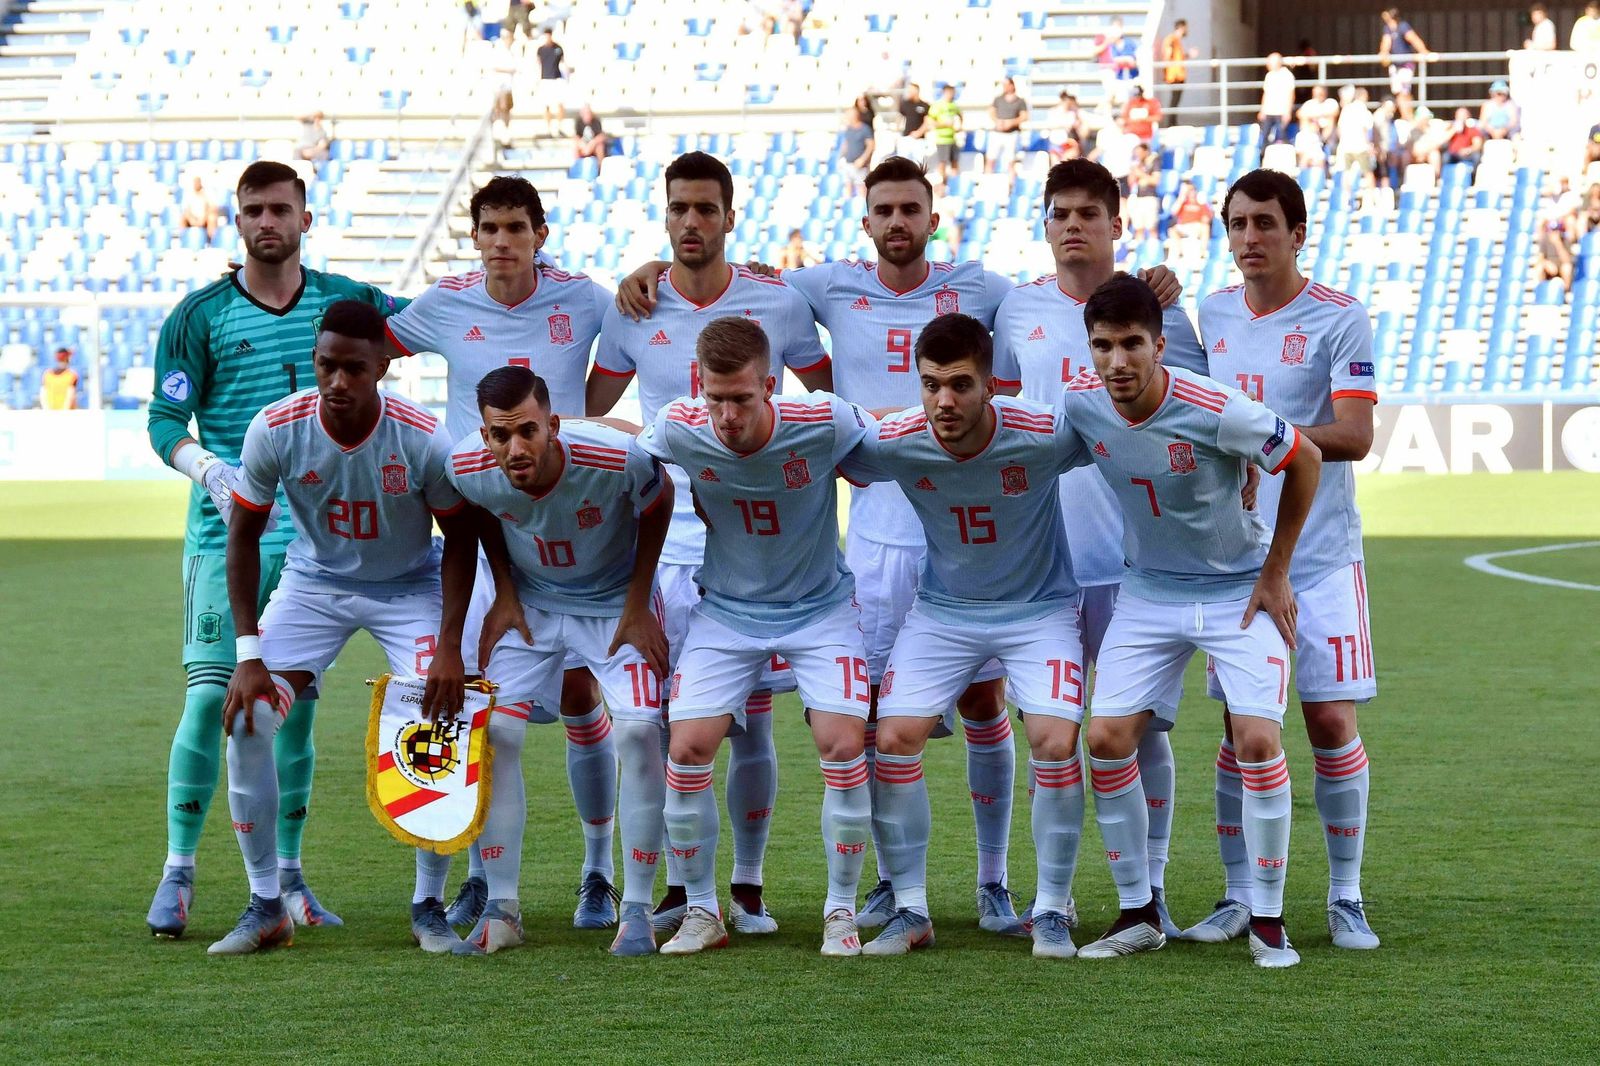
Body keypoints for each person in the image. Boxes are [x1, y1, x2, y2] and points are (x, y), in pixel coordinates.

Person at [763, 156, 1026, 934]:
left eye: (912, 208)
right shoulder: (828, 286)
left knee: (985, 703)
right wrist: (649, 268)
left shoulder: (981, 287)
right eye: (885, 209)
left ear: (933, 218)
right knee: (877, 720)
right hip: (876, 536)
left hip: (963, 533)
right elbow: (741, 282)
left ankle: (993, 880)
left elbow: (1060, 307)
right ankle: (890, 880)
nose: (899, 221)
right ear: (866, 220)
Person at [144, 160, 402, 940]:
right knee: (208, 698)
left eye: (279, 208)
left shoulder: (347, 305)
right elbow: (163, 423)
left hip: (316, 539)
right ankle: (177, 873)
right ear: (237, 220)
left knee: (293, 716)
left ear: (305, 218)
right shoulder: (200, 316)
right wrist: (208, 467)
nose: (266, 221)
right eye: (253, 209)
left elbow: (450, 319)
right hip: (228, 533)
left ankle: (288, 882)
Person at [586, 152, 833, 938]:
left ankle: (749, 888)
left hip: (756, 550)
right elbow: (588, 408)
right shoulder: (633, 306)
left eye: (705, 208)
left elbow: (830, 402)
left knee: (754, 721)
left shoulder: (779, 300)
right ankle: (670, 889)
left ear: (730, 215)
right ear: (664, 217)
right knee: (656, 724)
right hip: (662, 544)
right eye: (678, 209)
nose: (691, 221)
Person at [1057, 275, 1323, 968]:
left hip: (1239, 591)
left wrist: (1276, 571)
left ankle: (1267, 919)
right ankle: (1139, 911)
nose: (1118, 361)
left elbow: (1307, 459)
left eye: (1132, 344)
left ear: (1160, 344)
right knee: (1108, 739)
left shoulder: (1215, 408)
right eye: (1103, 345)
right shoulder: (1083, 408)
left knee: (1259, 742)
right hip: (1148, 593)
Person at [382, 174, 619, 931]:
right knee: (473, 710)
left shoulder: (585, 299)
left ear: (540, 235)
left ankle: (597, 871)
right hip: (479, 537)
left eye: (517, 227)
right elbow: (370, 343)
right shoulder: (446, 301)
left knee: (582, 698)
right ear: (475, 235)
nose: (503, 240)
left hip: (568, 537)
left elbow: (639, 336)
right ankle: (475, 882)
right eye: (490, 227)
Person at [210, 299, 475, 954]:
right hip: (313, 587)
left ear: (383, 367)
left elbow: (462, 540)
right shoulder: (276, 429)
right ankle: (266, 903)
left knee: (436, 721)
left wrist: (447, 647)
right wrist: (248, 654)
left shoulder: (421, 437)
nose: (337, 382)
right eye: (326, 366)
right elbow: (242, 538)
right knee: (247, 720)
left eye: (354, 368)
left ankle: (428, 906)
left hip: (408, 588)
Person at [992, 159, 1207, 939]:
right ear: (1045, 226)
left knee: (1137, 734)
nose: (1073, 224)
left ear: (1118, 223)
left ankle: (1146, 897)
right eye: (1059, 213)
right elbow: (1009, 410)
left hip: (1137, 558)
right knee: (1050, 734)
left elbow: (1200, 421)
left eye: (1090, 212)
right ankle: (1053, 898)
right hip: (1042, 557)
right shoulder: (1016, 308)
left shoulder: (1166, 316)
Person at [834, 314, 1094, 959]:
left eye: (959, 385)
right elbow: (811, 448)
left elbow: (1127, 433)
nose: (944, 401)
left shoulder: (1041, 433)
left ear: (990, 385)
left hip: (1039, 611)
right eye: (930, 386)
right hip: (943, 612)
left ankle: (1054, 907)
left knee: (1054, 741)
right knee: (892, 738)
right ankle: (911, 909)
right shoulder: (897, 441)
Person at [1186, 167, 1382, 953]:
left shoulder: (1340, 318)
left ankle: (1346, 894)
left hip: (1322, 557)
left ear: (1298, 234)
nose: (1248, 239)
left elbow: (1357, 437)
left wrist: (1268, 437)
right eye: (1236, 225)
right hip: (1236, 560)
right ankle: (1240, 895)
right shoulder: (1213, 313)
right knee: (1242, 731)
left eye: (1265, 224)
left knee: (1330, 720)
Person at [636, 318, 874, 956]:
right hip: (728, 612)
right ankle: (703, 913)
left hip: (820, 609)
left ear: (771, 385)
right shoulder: (680, 426)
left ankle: (841, 912)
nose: (726, 413)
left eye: (741, 397)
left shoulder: (825, 423)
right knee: (685, 750)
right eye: (715, 397)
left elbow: (890, 442)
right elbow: (626, 446)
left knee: (843, 744)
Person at [446, 367, 674, 957]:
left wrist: (637, 602)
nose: (514, 448)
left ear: (553, 423)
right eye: (501, 436)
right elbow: (475, 514)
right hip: (535, 605)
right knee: (493, 730)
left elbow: (660, 499)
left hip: (612, 605)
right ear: (485, 433)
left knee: (640, 731)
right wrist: (505, 591)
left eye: (527, 431)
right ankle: (502, 908)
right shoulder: (467, 466)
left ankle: (639, 911)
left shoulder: (615, 457)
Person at [1377, 9, 1429, 116]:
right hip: (1395, 65)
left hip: (1405, 64)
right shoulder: (1387, 29)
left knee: (1404, 92)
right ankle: (1406, 116)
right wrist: (1383, 54)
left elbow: (1413, 39)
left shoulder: (1403, 26)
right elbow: (1386, 43)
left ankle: (1408, 116)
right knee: (1398, 92)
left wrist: (1424, 52)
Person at [988, 77, 1029, 180]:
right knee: (990, 159)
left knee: (1010, 161)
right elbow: (991, 112)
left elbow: (1024, 116)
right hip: (997, 133)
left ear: (1012, 85)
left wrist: (1011, 123)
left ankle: (1011, 185)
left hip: (1012, 134)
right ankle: (987, 182)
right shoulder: (998, 99)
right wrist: (997, 121)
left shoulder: (1020, 101)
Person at [1334, 87, 1376, 183]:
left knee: (1347, 173)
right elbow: (1364, 128)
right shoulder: (1362, 108)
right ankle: (1371, 195)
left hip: (1346, 147)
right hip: (1360, 147)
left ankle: (1346, 196)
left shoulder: (1346, 109)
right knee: (1368, 173)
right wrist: (1368, 145)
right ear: (1363, 96)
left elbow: (1339, 129)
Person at [1124, 143, 1162, 243]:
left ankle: (1153, 249)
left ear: (1146, 151)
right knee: (1138, 228)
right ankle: (1139, 251)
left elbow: (1155, 181)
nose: (1138, 155)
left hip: (1149, 197)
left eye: (1140, 152)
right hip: (1137, 198)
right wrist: (1134, 171)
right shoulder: (1137, 164)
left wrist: (1141, 174)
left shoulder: (1154, 161)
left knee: (1151, 227)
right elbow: (1130, 182)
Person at [1169, 179, 1215, 256]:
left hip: (1197, 226)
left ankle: (1202, 252)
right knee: (1172, 230)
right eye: (1189, 190)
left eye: (1192, 190)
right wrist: (1181, 197)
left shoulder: (1201, 203)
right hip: (1184, 227)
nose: (1191, 192)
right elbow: (1173, 212)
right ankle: (1179, 253)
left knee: (1205, 228)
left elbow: (1207, 218)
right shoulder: (1183, 203)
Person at [929, 83, 963, 186]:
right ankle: (942, 183)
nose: (951, 94)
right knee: (942, 162)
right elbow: (930, 121)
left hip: (953, 138)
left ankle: (954, 184)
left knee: (955, 161)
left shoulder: (954, 105)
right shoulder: (937, 105)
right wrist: (944, 124)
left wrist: (959, 126)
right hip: (942, 139)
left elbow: (960, 116)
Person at [535, 29, 567, 137]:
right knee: (547, 105)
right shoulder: (541, 50)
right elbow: (538, 63)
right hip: (546, 79)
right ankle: (548, 129)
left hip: (556, 79)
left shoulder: (558, 48)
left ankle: (559, 127)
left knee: (560, 104)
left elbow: (563, 62)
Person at [1258, 53, 1296, 146]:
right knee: (1264, 136)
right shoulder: (1269, 75)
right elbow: (1266, 94)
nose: (1268, 65)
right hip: (1269, 111)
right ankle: (1263, 156)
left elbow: (1291, 95)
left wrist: (1288, 112)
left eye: (1270, 62)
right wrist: (1262, 110)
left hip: (1281, 111)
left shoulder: (1287, 75)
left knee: (1282, 136)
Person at [1159, 19, 1196, 112]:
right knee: (1174, 100)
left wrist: (1188, 55)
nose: (1187, 30)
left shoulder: (1177, 41)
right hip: (1174, 75)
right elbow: (1168, 55)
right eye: (1186, 28)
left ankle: (1173, 122)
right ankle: (1171, 123)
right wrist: (1165, 71)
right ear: (1182, 28)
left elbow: (1178, 57)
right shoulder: (1172, 39)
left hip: (1179, 75)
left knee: (1176, 100)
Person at [840, 107, 876, 196]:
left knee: (862, 189)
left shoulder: (865, 129)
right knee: (848, 187)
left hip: (860, 165)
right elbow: (846, 144)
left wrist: (863, 159)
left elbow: (871, 146)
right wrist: (840, 157)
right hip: (848, 163)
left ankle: (863, 209)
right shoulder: (848, 129)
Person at [1439, 108, 1484, 172]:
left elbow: (1478, 145)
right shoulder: (1450, 128)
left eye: (1463, 115)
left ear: (1468, 116)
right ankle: (1445, 178)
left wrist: (1469, 150)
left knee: (1476, 156)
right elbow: (1443, 141)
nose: (1461, 118)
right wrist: (1454, 130)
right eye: (1459, 115)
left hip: (1467, 153)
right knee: (1446, 157)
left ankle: (1473, 177)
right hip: (1453, 154)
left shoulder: (1473, 129)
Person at [897, 82, 932, 162]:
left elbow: (927, 122)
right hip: (906, 137)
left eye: (911, 90)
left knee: (918, 163)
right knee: (903, 163)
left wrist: (919, 132)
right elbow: (900, 117)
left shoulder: (924, 105)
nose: (909, 92)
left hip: (919, 139)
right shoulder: (905, 104)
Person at [1297, 85, 1339, 150]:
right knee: (1305, 121)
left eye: (1320, 93)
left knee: (1330, 120)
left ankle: (1323, 142)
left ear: (1325, 93)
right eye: (1315, 93)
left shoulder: (1330, 102)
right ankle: (1314, 142)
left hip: (1327, 131)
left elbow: (1334, 113)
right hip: (1313, 131)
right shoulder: (1309, 103)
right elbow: (1299, 114)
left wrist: (1313, 116)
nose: (1317, 95)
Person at [1047, 91, 1084, 161]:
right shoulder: (1052, 112)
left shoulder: (1072, 113)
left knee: (1065, 164)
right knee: (1057, 165)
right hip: (1055, 142)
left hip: (1067, 142)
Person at [180, 177, 219, 242]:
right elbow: (186, 210)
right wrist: (192, 220)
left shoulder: (208, 192)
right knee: (182, 218)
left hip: (205, 218)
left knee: (212, 218)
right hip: (192, 218)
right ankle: (184, 241)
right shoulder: (188, 193)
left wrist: (202, 219)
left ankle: (212, 241)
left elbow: (212, 208)